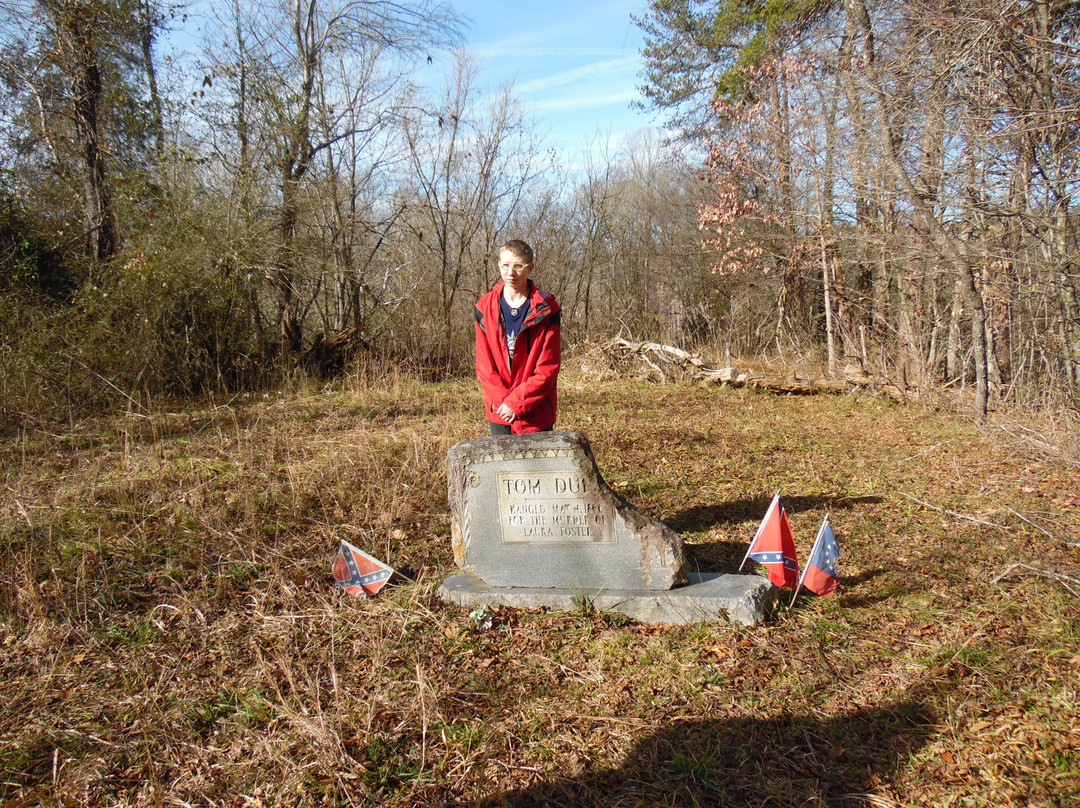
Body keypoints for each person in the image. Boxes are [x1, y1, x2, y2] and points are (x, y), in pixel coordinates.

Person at [474, 239, 561, 436]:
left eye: (518, 266)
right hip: (500, 413)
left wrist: (517, 403)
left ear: (530, 268)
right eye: (505, 265)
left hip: (537, 412)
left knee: (538, 467)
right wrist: (505, 404)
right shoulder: (484, 308)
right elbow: (484, 367)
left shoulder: (547, 309)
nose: (510, 272)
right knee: (503, 467)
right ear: (499, 265)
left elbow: (548, 368)